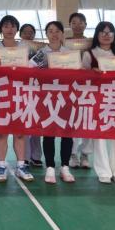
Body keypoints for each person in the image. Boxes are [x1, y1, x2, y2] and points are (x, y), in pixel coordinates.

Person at [0, 15, 34, 183]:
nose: (9, 29)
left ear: (17, 29)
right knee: (2, 132)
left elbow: (34, 69)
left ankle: (21, 166)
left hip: (21, 93)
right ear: (1, 29)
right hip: (1, 94)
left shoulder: (26, 49)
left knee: (20, 133)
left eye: (12, 26)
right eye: (6, 26)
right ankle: (2, 166)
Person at [82, 21, 115, 184]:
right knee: (99, 136)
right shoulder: (89, 54)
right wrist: (92, 72)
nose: (106, 35)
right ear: (97, 34)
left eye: (110, 32)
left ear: (114, 35)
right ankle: (103, 171)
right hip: (98, 99)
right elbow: (82, 76)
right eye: (103, 32)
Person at [30, 21, 76, 184]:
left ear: (62, 34)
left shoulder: (70, 53)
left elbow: (78, 73)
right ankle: (50, 166)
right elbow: (28, 68)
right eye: (50, 31)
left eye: (57, 31)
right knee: (48, 132)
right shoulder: (42, 53)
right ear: (46, 34)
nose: (54, 34)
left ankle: (65, 167)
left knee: (67, 133)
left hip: (67, 98)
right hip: (47, 98)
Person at [67, 12, 92, 169]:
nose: (77, 25)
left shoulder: (91, 43)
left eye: (81, 22)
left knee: (88, 120)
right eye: (74, 22)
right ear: (69, 25)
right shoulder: (64, 43)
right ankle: (72, 154)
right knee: (72, 121)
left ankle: (85, 154)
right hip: (71, 86)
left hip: (89, 86)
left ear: (85, 25)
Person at [19, 23, 43, 167]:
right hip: (22, 89)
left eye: (31, 32)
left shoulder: (41, 50)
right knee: (25, 124)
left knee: (36, 124)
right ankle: (25, 156)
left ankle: (36, 156)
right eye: (25, 32)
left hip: (39, 89)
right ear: (20, 34)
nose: (28, 34)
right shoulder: (17, 48)